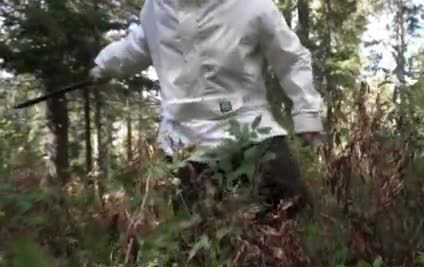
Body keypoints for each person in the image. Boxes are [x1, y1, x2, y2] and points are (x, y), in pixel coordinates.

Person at [90, 0, 325, 218]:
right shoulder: (157, 7)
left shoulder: (252, 4)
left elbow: (291, 57)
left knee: (291, 212)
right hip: (184, 144)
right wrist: (104, 66)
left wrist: (307, 114)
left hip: (251, 131)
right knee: (197, 235)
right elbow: (139, 45)